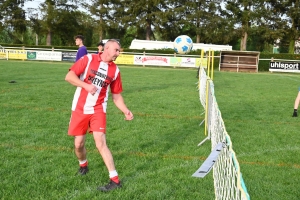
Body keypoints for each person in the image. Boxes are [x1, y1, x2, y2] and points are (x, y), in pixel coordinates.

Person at [65, 39, 134, 192]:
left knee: (100, 143)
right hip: (80, 108)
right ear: (107, 48)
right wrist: (86, 85)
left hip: (98, 109)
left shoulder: (115, 71)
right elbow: (69, 76)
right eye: (116, 50)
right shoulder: (88, 59)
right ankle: (83, 164)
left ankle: (115, 180)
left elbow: (116, 96)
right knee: (78, 144)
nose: (118, 53)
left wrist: (125, 110)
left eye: (119, 51)